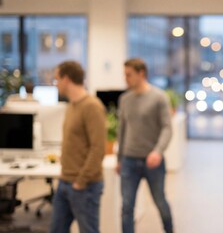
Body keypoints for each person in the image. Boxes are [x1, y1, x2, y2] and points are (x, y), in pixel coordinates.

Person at [117, 58, 174, 233]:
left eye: (129, 75)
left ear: (141, 73)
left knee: (160, 202)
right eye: (125, 75)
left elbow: (167, 128)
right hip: (129, 161)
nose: (126, 78)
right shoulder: (125, 99)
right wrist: (119, 159)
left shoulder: (159, 97)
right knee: (127, 207)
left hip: (153, 161)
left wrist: (157, 151)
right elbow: (122, 130)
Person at [50, 61, 105, 233]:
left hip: (84, 185)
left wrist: (81, 181)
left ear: (66, 79)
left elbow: (98, 149)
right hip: (65, 181)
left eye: (57, 79)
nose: (56, 83)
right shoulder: (71, 105)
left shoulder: (92, 106)